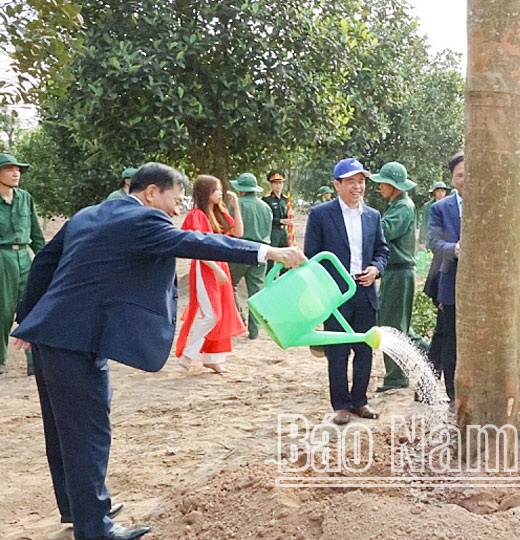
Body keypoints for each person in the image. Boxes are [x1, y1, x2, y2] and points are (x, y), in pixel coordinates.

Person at [12, 162, 304, 540]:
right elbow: (202, 243)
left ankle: (79, 506)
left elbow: (46, 262)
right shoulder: (144, 222)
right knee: (89, 432)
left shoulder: (90, 214)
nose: (177, 210)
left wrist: (30, 319)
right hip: (77, 340)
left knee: (64, 428)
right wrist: (270, 252)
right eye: (175, 200)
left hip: (54, 335)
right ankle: (95, 528)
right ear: (151, 193)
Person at [304, 158, 389, 425]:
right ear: (337, 184)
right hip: (336, 293)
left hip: (365, 290)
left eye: (361, 181)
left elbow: (382, 251)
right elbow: (312, 257)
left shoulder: (373, 216)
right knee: (338, 351)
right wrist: (325, 289)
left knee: (365, 348)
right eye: (351, 181)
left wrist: (375, 269)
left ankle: (360, 401)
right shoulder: (321, 215)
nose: (357, 187)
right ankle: (340, 405)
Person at [175, 175, 245, 373]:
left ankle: (213, 358)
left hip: (220, 265)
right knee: (212, 315)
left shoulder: (218, 213)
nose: (220, 193)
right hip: (205, 266)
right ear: (206, 192)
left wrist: (236, 206)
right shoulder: (196, 215)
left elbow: (238, 232)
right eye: (216, 190)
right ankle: (188, 354)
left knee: (222, 313)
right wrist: (215, 268)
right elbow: (196, 248)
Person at [371, 161, 417, 392]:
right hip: (395, 272)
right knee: (395, 323)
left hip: (400, 272)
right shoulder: (397, 205)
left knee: (393, 326)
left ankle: (397, 376)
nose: (379, 187)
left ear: (393, 185)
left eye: (383, 183)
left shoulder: (403, 207)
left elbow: (385, 231)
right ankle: (428, 353)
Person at [0, 152, 44, 376]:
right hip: (2, 258)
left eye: (18, 169)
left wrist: (45, 259)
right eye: (9, 169)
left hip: (24, 258)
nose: (16, 173)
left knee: (31, 307)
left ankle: (36, 362)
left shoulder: (25, 197)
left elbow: (36, 232)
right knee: (2, 310)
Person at [427, 153, 465, 402]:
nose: (466, 179)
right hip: (451, 281)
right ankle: (454, 396)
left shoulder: (489, 205)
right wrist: (454, 249)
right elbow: (434, 241)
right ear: (452, 179)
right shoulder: (440, 208)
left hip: (484, 287)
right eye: (460, 175)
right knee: (450, 341)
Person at [227, 172, 273, 339]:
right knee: (256, 292)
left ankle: (240, 320)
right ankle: (254, 331)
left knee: (229, 285)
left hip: (239, 250)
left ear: (240, 189)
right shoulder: (266, 207)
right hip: (262, 251)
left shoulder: (235, 204)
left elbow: (230, 228)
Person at [262, 170, 293, 254]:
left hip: (284, 232)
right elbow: (266, 218)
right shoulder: (267, 199)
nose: (278, 186)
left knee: (286, 255)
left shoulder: (285, 199)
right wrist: (280, 221)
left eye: (280, 183)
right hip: (273, 231)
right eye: (275, 183)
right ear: (271, 184)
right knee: (271, 256)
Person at [418, 181, 450, 252]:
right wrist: (422, 241)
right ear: (434, 192)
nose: (440, 193)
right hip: (431, 238)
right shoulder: (427, 206)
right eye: (438, 191)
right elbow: (424, 223)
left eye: (442, 191)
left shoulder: (449, 205)